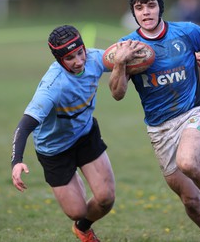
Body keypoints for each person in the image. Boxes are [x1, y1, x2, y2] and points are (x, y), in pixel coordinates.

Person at [109, 0, 200, 242]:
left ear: (161, 7)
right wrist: (119, 64)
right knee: (191, 201)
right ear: (134, 13)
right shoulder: (127, 47)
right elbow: (117, 94)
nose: (146, 12)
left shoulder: (187, 32)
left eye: (151, 5)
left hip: (193, 113)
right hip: (159, 130)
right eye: (139, 8)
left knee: (188, 161)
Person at [10, 25, 144, 242]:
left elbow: (136, 57)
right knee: (76, 211)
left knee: (106, 199)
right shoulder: (52, 87)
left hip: (85, 135)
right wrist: (16, 161)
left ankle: (83, 229)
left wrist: (187, 57)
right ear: (59, 60)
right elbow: (24, 125)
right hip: (54, 150)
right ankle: (77, 210)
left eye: (80, 52)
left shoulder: (94, 58)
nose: (79, 61)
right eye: (70, 57)